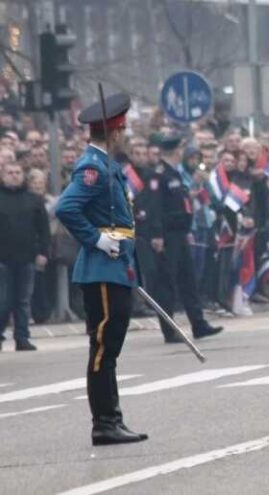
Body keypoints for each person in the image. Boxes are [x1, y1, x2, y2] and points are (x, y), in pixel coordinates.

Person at [54, 93, 148, 445]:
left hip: (115, 266)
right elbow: (66, 208)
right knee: (103, 348)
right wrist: (94, 239)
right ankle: (104, 423)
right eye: (123, 129)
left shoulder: (106, 164)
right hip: (101, 267)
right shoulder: (92, 167)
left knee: (110, 349)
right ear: (115, 132)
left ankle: (112, 419)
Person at [148, 135, 223, 343]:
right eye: (180, 149)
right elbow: (154, 207)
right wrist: (156, 234)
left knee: (188, 281)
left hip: (180, 233)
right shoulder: (159, 174)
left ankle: (198, 324)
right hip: (167, 235)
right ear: (175, 151)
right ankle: (169, 330)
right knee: (167, 284)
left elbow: (180, 202)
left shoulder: (174, 174)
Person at [0, 161, 49, 351]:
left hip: (26, 258)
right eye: (10, 172)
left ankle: (22, 337)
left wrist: (43, 252)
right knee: (3, 300)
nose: (14, 175)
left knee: (23, 300)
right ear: (3, 175)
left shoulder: (33, 200)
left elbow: (43, 229)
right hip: (2, 259)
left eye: (18, 172)